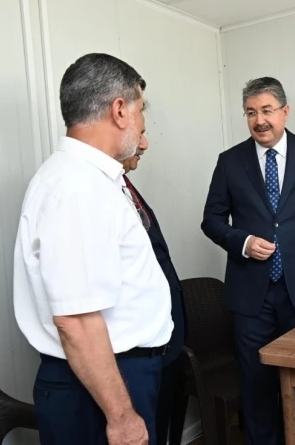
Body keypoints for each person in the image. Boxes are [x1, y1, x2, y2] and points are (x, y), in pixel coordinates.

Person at [13, 53, 174, 445]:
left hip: (110, 378)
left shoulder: (89, 179)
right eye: (140, 110)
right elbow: (77, 321)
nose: (143, 127)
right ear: (119, 110)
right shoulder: (77, 187)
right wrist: (121, 417)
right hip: (101, 389)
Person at [201, 76, 295, 444]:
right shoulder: (230, 162)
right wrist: (244, 242)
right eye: (251, 112)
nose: (259, 120)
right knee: (255, 383)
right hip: (251, 293)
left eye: (266, 110)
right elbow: (211, 220)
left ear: (285, 111)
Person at [119, 147, 187, 444]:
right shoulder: (94, 191)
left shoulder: (124, 186)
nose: (145, 143)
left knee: (158, 422)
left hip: (163, 338)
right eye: (140, 133)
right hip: (133, 350)